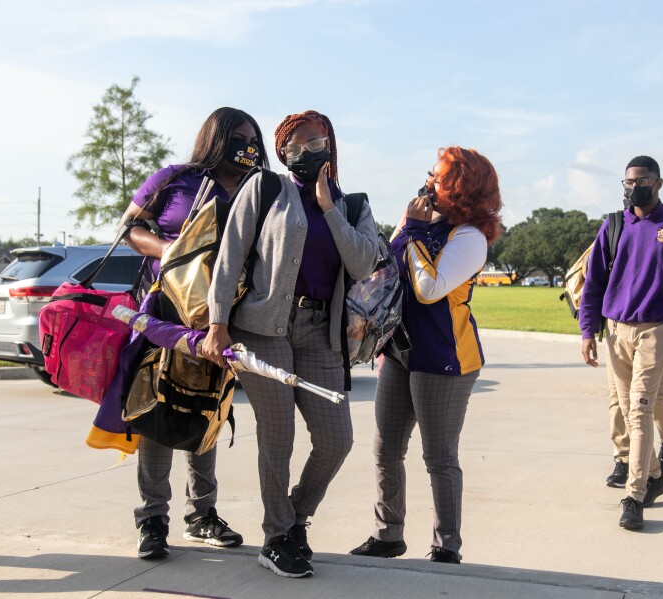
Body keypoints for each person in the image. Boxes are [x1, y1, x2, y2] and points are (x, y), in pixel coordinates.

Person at [203, 110, 378, 578]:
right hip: (262, 329)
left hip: (321, 334)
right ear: (281, 153)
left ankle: (297, 515)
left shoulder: (354, 204)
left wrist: (328, 207)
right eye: (294, 147)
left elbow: (364, 264)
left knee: (336, 439)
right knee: (278, 436)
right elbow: (230, 256)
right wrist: (217, 322)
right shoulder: (264, 189)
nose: (305, 152)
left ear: (330, 143)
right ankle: (277, 536)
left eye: (314, 142)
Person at [118, 107, 268, 559]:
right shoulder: (175, 179)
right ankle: (153, 519)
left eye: (253, 139)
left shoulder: (255, 189)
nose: (248, 146)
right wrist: (172, 251)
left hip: (221, 319)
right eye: (239, 137)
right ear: (215, 138)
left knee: (207, 410)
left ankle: (201, 515)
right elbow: (129, 228)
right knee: (157, 409)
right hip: (167, 312)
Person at [349, 147, 502, 564]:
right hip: (400, 351)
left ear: (459, 187)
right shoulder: (421, 224)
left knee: (438, 457)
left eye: (437, 177)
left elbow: (429, 288)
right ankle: (387, 534)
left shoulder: (469, 238)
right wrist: (407, 228)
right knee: (385, 449)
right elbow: (386, 268)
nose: (429, 182)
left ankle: (446, 545)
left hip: (444, 359)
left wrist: (413, 232)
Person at [579, 155, 663, 531]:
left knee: (640, 409)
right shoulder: (614, 225)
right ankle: (655, 476)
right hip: (616, 330)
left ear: (658, 183)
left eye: (642, 180)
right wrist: (588, 331)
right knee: (627, 407)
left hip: (657, 330)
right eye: (628, 181)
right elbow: (594, 282)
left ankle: (634, 496)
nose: (634, 187)